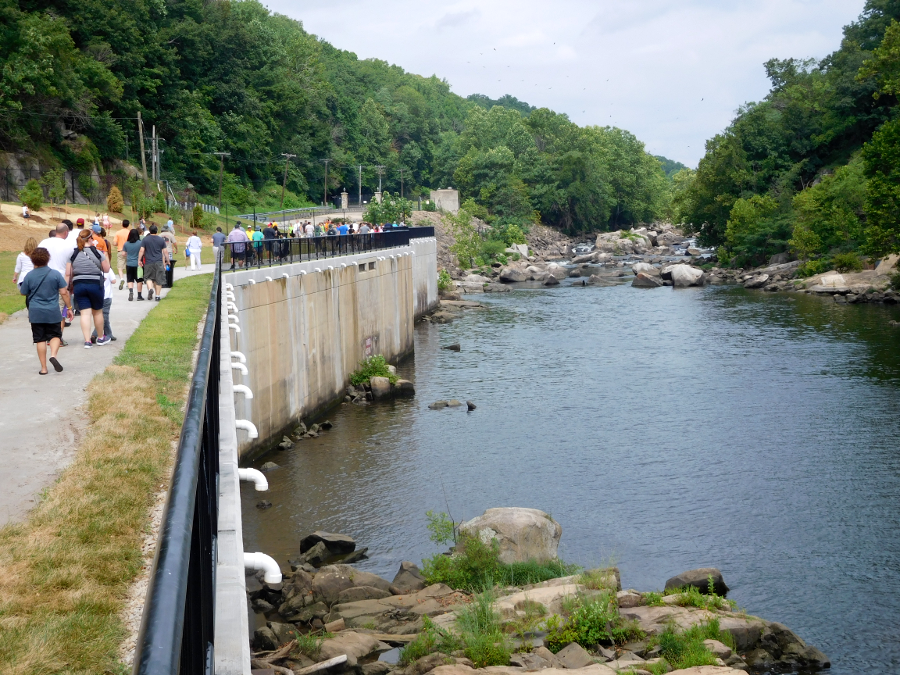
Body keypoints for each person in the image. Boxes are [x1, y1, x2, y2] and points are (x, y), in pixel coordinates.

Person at [20, 247, 70, 374]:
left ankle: (43, 368)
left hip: (36, 311)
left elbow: (23, 292)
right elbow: (64, 292)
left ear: (33, 260)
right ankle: (53, 355)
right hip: (52, 310)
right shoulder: (55, 274)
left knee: (40, 339)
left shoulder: (29, 275)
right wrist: (69, 307)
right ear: (48, 259)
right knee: (55, 335)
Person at [66, 230, 111, 348]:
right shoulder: (97, 252)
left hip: (79, 284)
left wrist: (68, 287)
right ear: (90, 239)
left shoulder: (73, 253)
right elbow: (106, 269)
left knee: (85, 314)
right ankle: (100, 337)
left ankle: (87, 341)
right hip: (95, 284)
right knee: (97, 312)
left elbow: (68, 273)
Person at [38, 224, 76, 342]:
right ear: (66, 233)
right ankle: (57, 337)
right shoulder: (69, 246)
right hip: (60, 280)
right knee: (60, 310)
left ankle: (46, 334)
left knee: (45, 307)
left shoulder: (43, 243)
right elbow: (70, 267)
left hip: (43, 279)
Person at [138, 224, 168, 301]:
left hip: (148, 262)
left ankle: (150, 288)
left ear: (149, 231)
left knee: (148, 277)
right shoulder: (161, 240)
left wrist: (139, 260)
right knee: (159, 279)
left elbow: (141, 250)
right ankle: (157, 296)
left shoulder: (145, 239)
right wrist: (167, 260)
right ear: (156, 231)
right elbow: (165, 252)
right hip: (158, 262)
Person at [90, 267, 117, 343]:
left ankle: (109, 334)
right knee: (104, 316)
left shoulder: (92, 269)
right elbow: (114, 281)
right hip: (106, 296)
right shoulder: (107, 269)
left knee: (103, 316)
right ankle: (95, 334)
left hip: (95, 296)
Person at [123, 228, 143, 301]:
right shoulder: (140, 243)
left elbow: (123, 253)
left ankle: (131, 291)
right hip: (138, 264)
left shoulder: (126, 243)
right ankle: (139, 295)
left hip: (129, 263)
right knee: (139, 280)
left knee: (130, 279)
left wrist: (128, 254)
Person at [114, 219, 131, 288]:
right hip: (129, 251)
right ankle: (128, 281)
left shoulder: (118, 232)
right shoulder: (130, 233)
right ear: (128, 225)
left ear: (122, 224)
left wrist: (119, 243)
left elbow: (114, 243)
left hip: (120, 250)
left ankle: (121, 279)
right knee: (128, 267)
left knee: (120, 267)